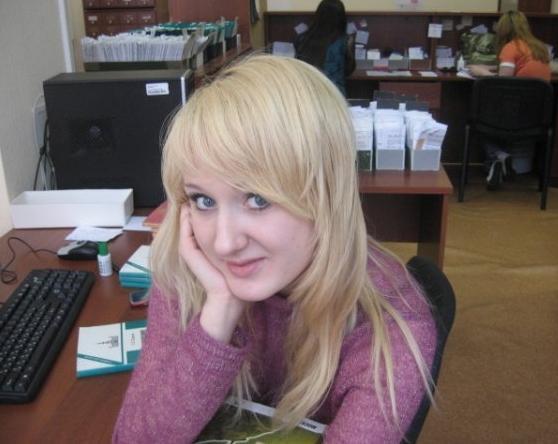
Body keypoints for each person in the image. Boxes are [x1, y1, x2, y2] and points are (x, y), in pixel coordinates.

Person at [112, 55, 437, 443]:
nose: (224, 244)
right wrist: (219, 312)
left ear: (325, 196)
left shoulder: (388, 322)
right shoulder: (191, 273)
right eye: (203, 200)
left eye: (258, 199)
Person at [468, 10, 551, 189]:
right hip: (536, 118)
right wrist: (493, 67)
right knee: (489, 118)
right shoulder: (540, 48)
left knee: (477, 120)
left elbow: (503, 81)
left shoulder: (511, 47)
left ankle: (499, 156)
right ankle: (498, 163)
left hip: (512, 115)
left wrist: (481, 72)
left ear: (504, 29)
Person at [294, 0, 355, 96]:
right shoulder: (345, 40)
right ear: (341, 18)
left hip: (306, 93)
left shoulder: (302, 39)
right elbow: (348, 70)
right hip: (334, 93)